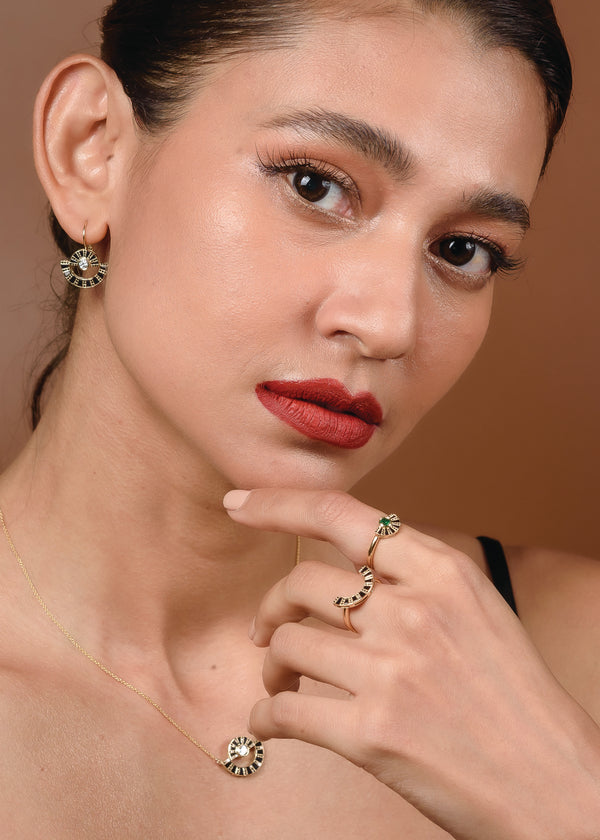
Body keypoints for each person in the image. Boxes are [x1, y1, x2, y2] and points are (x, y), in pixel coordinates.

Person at [0, 0, 598, 837]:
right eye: (314, 184)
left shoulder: (570, 658)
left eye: (463, 250)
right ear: (90, 149)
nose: (389, 324)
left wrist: (568, 802)